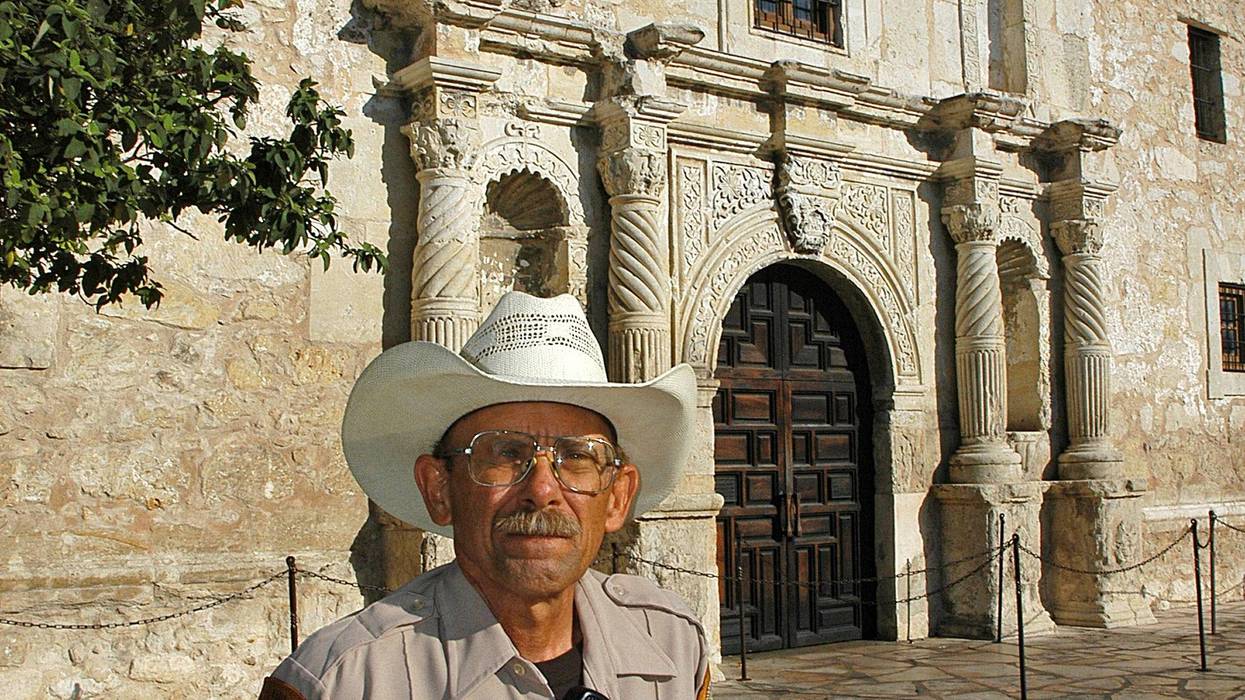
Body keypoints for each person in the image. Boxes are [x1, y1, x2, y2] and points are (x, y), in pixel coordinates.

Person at [259, 291, 710, 700]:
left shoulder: (672, 645)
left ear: (617, 497)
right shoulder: (344, 683)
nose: (542, 490)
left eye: (576, 456)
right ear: (439, 489)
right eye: (505, 453)